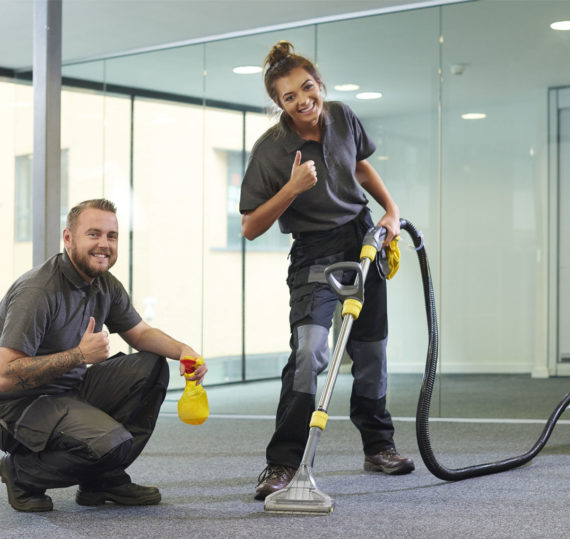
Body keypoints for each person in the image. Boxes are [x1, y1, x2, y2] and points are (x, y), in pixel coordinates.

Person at [240, 41, 414, 500]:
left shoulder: (342, 116)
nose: (302, 101)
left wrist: (391, 212)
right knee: (310, 353)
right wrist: (291, 190)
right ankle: (281, 463)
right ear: (278, 104)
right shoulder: (270, 151)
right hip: (313, 252)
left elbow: (359, 166)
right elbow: (251, 226)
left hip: (360, 241)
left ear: (320, 84)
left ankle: (379, 447)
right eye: (289, 97)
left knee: (371, 353)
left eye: (307, 88)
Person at [0, 198, 207, 512]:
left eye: (111, 236)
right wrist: (78, 355)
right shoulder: (38, 291)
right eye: (93, 234)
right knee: (112, 443)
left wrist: (184, 351)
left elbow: (140, 333)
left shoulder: (104, 284)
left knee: (150, 366)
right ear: (68, 238)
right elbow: (4, 375)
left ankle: (101, 481)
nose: (104, 244)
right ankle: (21, 473)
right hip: (18, 406)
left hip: (69, 391)